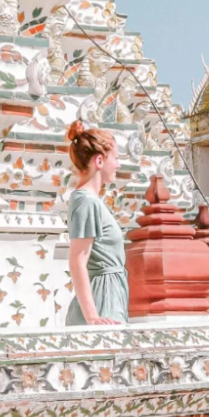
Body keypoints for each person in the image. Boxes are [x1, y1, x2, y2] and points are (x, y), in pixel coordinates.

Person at [65, 121, 129, 326]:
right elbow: (77, 261)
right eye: (116, 158)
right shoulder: (86, 201)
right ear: (99, 161)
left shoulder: (91, 201)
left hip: (110, 295)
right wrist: (92, 316)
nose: (118, 165)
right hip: (103, 300)